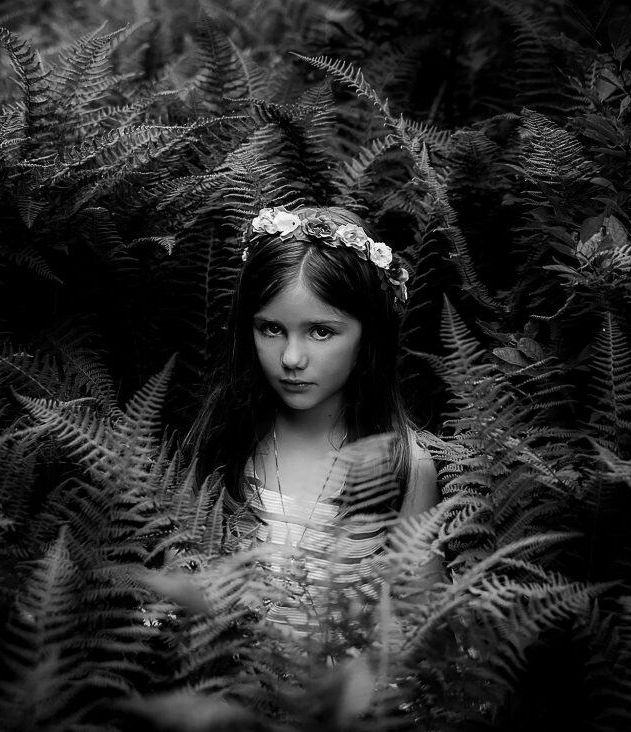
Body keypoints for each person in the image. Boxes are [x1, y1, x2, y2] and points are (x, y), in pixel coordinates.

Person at [181, 204, 440, 646]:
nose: (292, 358)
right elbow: (176, 584)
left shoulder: (405, 465)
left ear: (368, 335)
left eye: (321, 332)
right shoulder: (224, 442)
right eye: (272, 329)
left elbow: (425, 629)